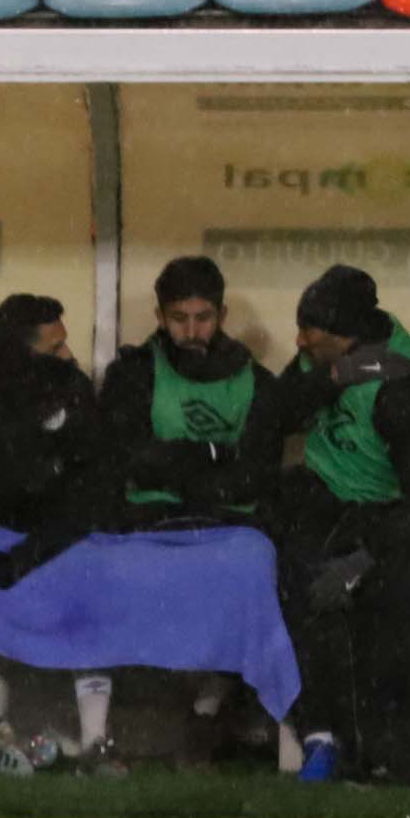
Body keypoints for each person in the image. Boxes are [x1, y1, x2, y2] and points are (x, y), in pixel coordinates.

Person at [0, 293, 122, 778]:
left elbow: (94, 478)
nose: (69, 359)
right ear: (20, 351)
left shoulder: (70, 385)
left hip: (54, 530)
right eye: (54, 349)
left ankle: (96, 743)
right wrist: (45, 469)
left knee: (95, 571)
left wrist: (38, 513)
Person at [267, 263, 410, 784]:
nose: (298, 340)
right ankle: (319, 736)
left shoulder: (403, 387)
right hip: (326, 503)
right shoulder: (330, 359)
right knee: (290, 576)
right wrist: (333, 379)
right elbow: (273, 414)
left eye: (310, 331)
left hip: (389, 522)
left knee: (360, 600)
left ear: (344, 334)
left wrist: (365, 558)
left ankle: (375, 750)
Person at [95, 255, 283, 763]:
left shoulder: (256, 382)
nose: (192, 330)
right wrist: (215, 457)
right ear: (160, 317)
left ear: (220, 315)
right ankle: (184, 711)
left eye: (202, 318)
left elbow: (259, 472)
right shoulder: (133, 374)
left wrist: (178, 466)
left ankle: (220, 703)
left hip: (229, 525)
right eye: (180, 319)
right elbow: (128, 457)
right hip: (150, 523)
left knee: (254, 567)